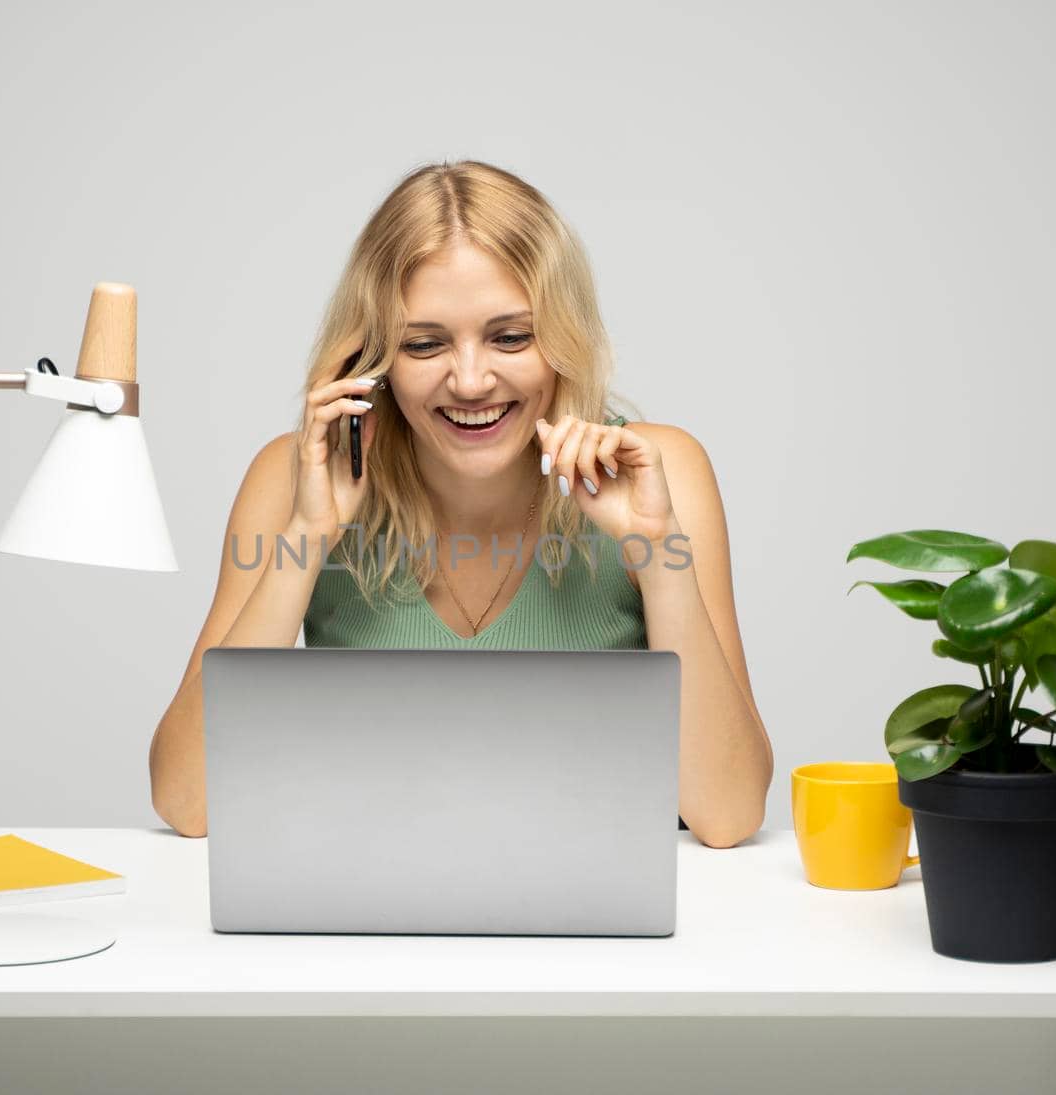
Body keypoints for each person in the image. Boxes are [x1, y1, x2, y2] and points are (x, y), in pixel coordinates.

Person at [150, 160, 772, 847]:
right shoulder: (293, 479)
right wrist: (308, 535)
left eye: (511, 336)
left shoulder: (663, 471)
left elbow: (730, 812)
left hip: (596, 932)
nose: (471, 380)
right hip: (370, 906)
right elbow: (188, 800)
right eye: (424, 343)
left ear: (563, 339)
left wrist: (658, 556)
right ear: (373, 357)